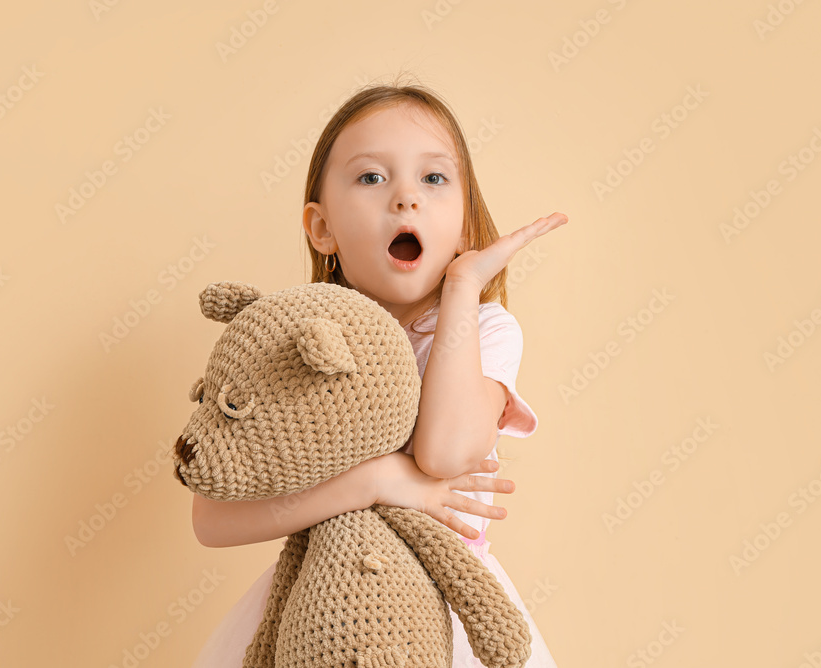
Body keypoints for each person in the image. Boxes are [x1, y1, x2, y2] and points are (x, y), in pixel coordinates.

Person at [187, 80, 568, 667]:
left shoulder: (485, 331)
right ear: (322, 229)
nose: (405, 199)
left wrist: (464, 286)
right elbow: (211, 520)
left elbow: (443, 455)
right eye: (371, 178)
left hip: (438, 610)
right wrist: (373, 483)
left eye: (434, 179)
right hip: (321, 602)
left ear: (466, 226)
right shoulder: (297, 344)